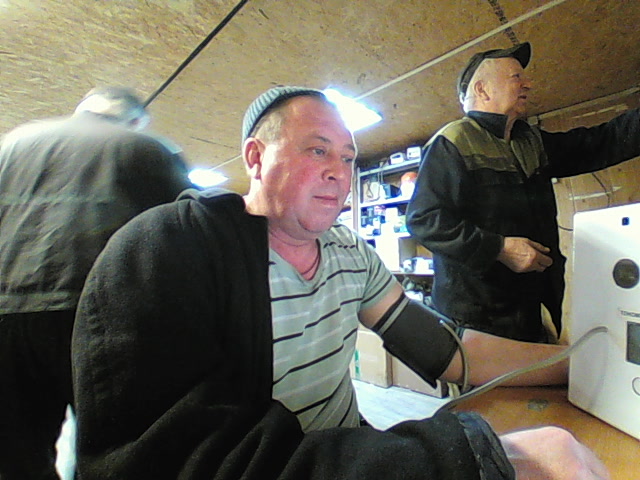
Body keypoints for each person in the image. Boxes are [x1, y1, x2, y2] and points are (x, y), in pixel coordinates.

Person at [71, 86, 610, 480]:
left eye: (348, 158)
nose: (340, 171)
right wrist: (481, 459)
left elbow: (444, 350)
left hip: (352, 450)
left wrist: (578, 365)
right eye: (317, 150)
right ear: (256, 157)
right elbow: (186, 463)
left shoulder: (350, 252)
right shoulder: (174, 250)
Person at [0, 86, 194, 480]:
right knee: (112, 449)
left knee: (13, 454)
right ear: (135, 120)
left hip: (5, 313)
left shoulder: (12, 143)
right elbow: (186, 232)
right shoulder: (145, 148)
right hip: (93, 316)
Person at [406, 42, 640, 343]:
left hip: (532, 309)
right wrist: (498, 248)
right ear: (482, 89)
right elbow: (424, 220)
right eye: (516, 76)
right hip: (477, 319)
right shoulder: (453, 142)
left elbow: (599, 142)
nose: (528, 83)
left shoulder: (529, 141)